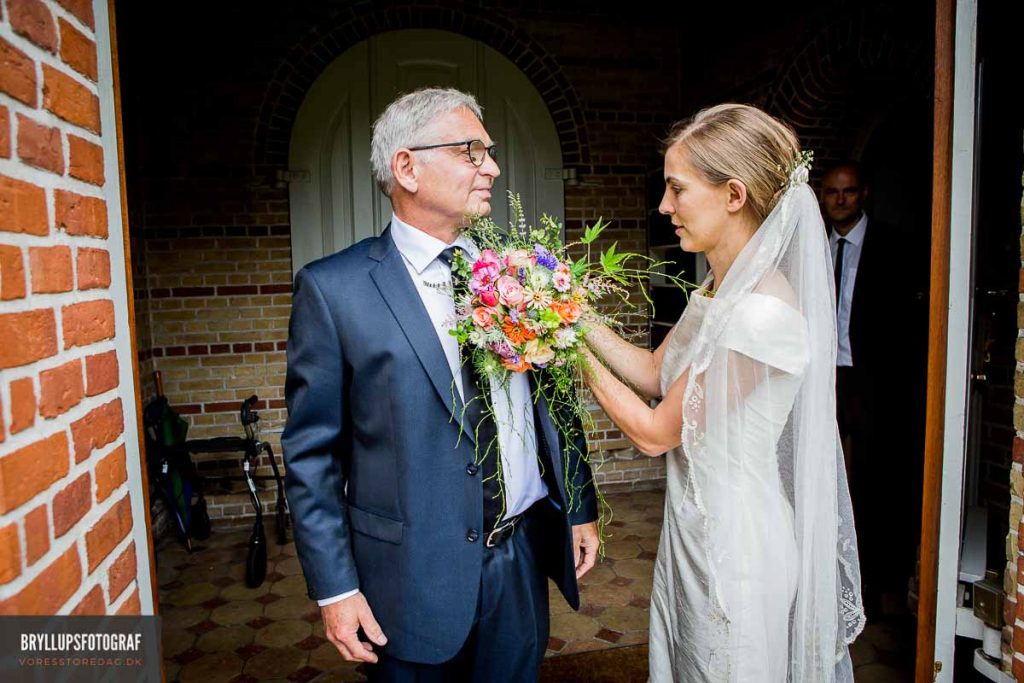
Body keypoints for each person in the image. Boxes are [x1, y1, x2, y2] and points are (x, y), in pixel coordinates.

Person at [281, 87, 599, 682]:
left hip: (519, 561)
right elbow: (311, 454)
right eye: (472, 151)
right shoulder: (334, 290)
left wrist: (577, 503)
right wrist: (335, 589)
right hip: (406, 581)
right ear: (408, 167)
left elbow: (554, 403)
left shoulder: (524, 274)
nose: (493, 168)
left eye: (491, 151)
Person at [581, 104, 864, 681]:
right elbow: (656, 372)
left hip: (737, 544)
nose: (665, 207)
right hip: (692, 527)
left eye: (677, 189)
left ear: (733, 195)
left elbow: (656, 433)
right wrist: (569, 315)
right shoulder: (719, 288)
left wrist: (562, 347)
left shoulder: (761, 312)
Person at [821, 160, 925, 617]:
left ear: (863, 193)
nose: (839, 200)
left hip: (873, 379)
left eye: (847, 192)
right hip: (824, 376)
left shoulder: (894, 246)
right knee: (820, 471)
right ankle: (825, 572)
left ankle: (875, 581)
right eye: (831, 192)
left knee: (874, 476)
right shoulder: (813, 246)